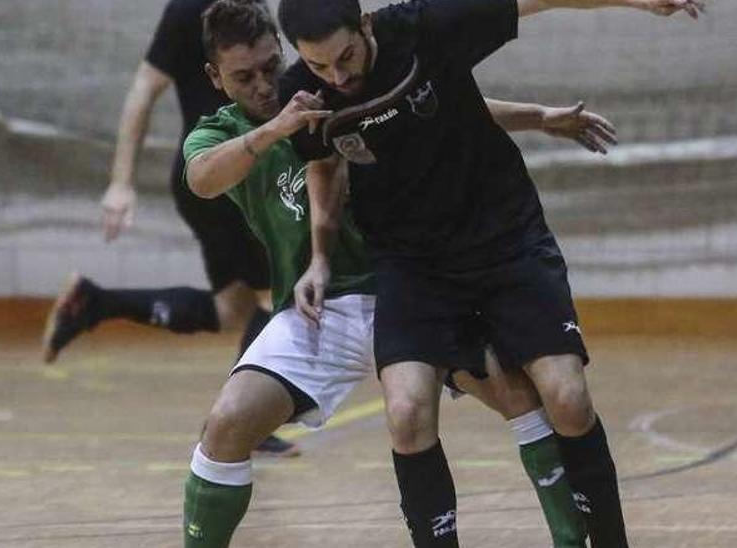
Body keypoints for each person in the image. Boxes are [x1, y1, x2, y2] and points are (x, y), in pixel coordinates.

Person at [175, 2, 621, 546]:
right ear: (215, 78)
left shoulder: (329, 88)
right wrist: (275, 130)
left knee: (523, 396)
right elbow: (201, 178)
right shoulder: (224, 133)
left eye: (271, 66)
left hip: (407, 280)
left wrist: (539, 116)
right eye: (244, 76)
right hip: (324, 310)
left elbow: (448, 105)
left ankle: (575, 535)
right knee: (224, 425)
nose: (265, 85)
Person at [276, 0, 704, 545]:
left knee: (568, 403)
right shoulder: (306, 97)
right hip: (413, 264)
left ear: (365, 25)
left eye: (346, 56)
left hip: (505, 238)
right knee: (406, 414)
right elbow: (323, 163)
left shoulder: (423, 27)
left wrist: (639, 2)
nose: (338, 76)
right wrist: (320, 256)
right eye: (319, 66)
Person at [38, 0, 297, 456]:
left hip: (241, 172)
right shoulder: (189, 11)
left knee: (231, 310)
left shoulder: (251, 12)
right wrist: (120, 182)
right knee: (275, 294)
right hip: (217, 176)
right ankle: (243, 422)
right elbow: (143, 88)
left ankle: (94, 303)